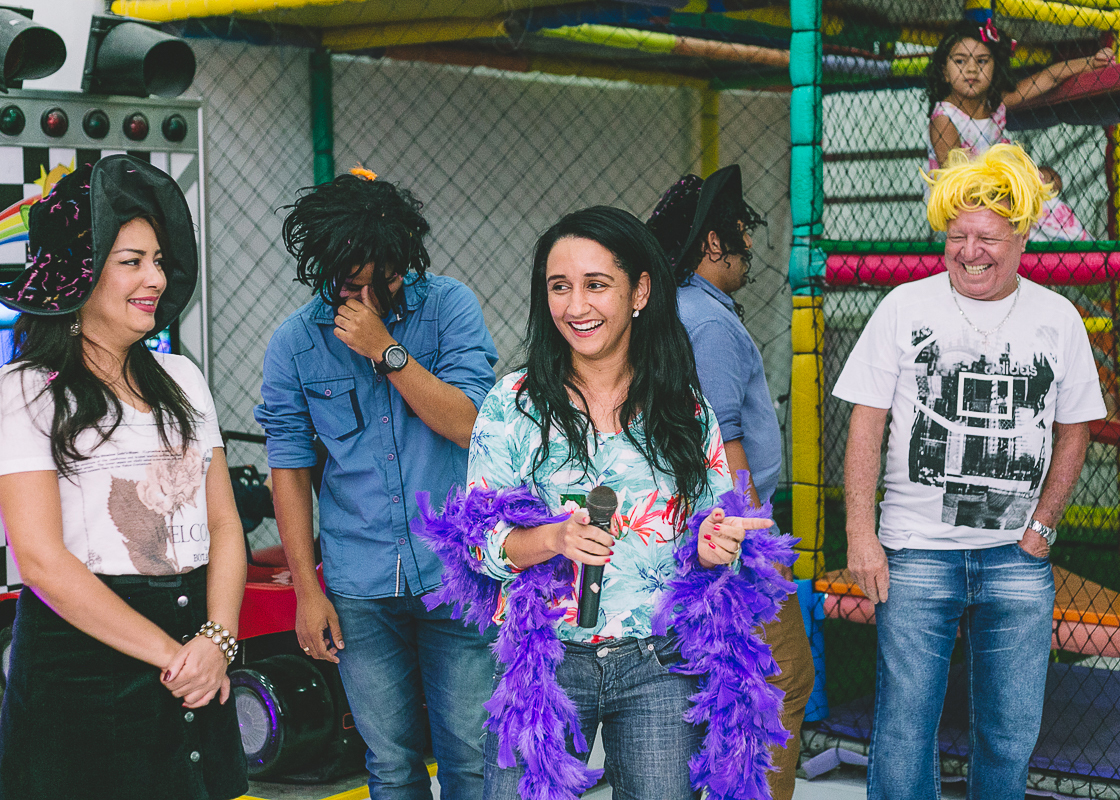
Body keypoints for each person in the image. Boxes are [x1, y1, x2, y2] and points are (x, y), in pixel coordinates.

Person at [452, 206, 784, 800]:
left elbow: (714, 532)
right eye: (560, 287)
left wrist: (712, 548)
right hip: (547, 664)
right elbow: (477, 544)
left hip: (659, 664)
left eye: (596, 285)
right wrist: (552, 539)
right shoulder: (514, 404)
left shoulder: (683, 407)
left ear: (640, 291)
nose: (576, 306)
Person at [833, 143, 1105, 800]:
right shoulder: (905, 306)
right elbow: (865, 424)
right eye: (956, 235)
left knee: (1011, 731)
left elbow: (1077, 430)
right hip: (914, 552)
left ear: (1022, 235)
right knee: (903, 727)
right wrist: (862, 537)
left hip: (1016, 557)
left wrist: (1043, 526)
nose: (968, 251)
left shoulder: (1057, 319)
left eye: (986, 236)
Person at [0, 156, 248, 800]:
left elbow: (225, 523)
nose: (155, 276)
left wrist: (216, 641)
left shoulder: (182, 378)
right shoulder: (22, 392)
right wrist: (178, 658)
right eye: (132, 261)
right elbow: (41, 562)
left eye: (158, 259)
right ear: (78, 273)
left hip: (195, 646)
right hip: (84, 665)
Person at [255, 169, 499, 800]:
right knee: (390, 765)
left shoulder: (448, 307)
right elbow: (290, 469)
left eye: (381, 277)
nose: (365, 293)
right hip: (359, 584)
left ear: (402, 260)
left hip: (456, 573)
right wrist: (308, 590)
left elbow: (472, 424)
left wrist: (387, 350)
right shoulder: (294, 345)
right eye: (348, 282)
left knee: (473, 759)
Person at [647, 166, 815, 800]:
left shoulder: (682, 309)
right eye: (741, 229)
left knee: (726, 687)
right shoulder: (709, 324)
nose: (749, 243)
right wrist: (745, 543)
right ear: (714, 244)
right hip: (732, 535)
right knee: (782, 680)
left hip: (706, 531)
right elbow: (722, 439)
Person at [925, 19, 1113, 240]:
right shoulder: (945, 118)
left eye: (982, 61)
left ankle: (1076, 255)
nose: (972, 69)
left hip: (1003, 192)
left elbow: (1048, 77)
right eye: (960, 61)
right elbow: (956, 178)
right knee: (1029, 198)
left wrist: (1091, 62)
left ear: (995, 70)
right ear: (945, 73)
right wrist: (1015, 182)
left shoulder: (995, 105)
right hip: (967, 203)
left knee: (1049, 184)